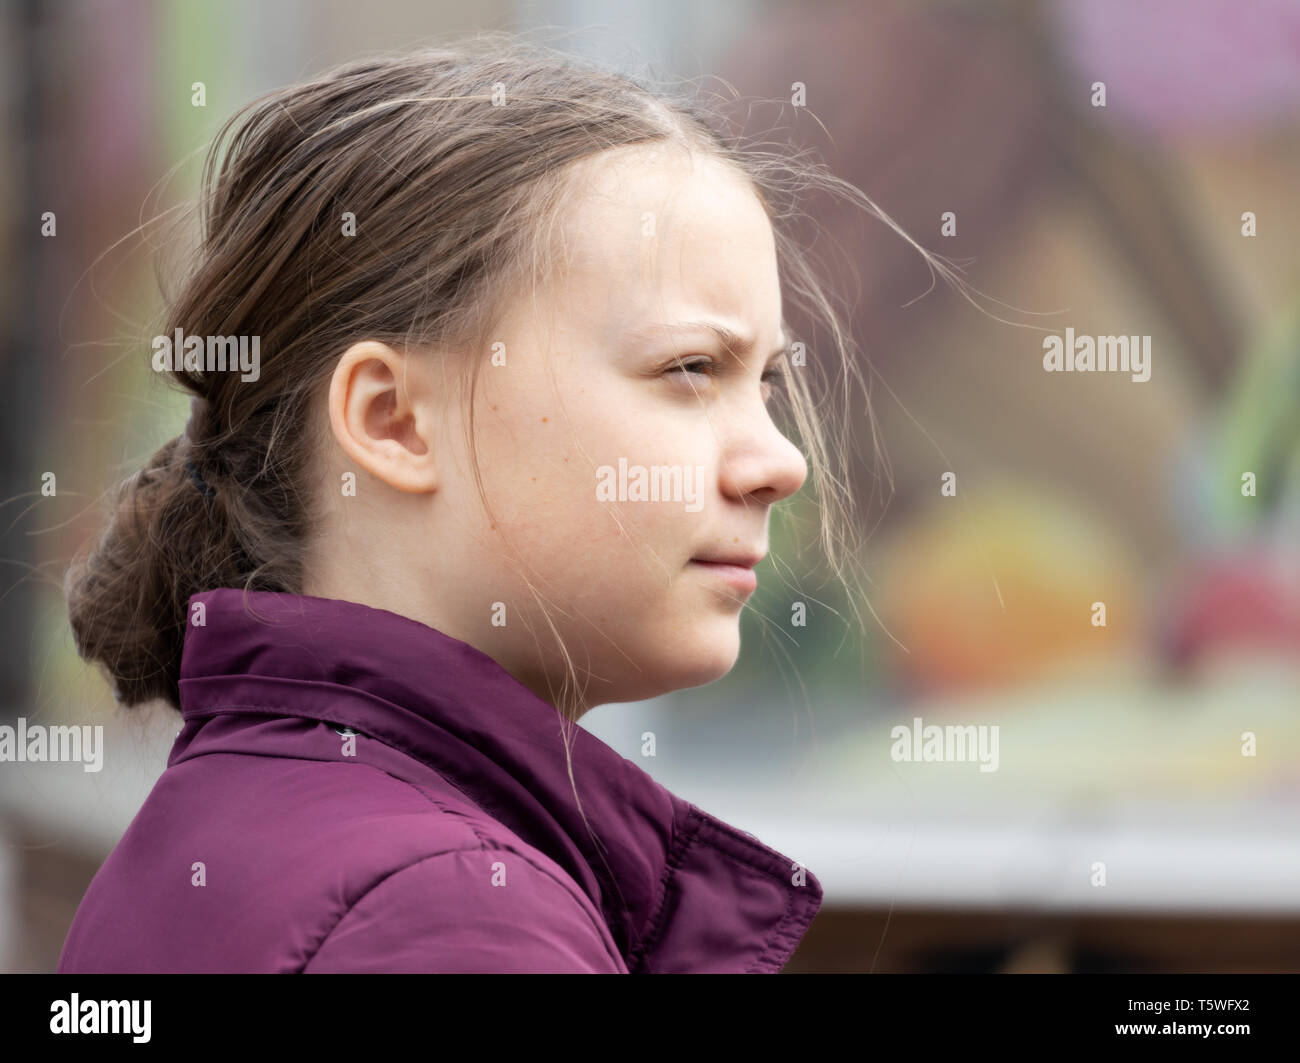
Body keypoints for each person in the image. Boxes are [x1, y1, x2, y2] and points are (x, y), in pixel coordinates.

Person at [59, 33, 958, 973]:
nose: (779, 464)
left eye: (767, 384)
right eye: (690, 367)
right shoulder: (455, 916)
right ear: (394, 420)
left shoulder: (228, 822)